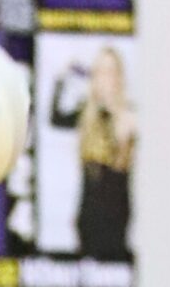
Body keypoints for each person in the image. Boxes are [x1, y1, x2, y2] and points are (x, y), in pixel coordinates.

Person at [50, 46, 136, 262]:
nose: (105, 79)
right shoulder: (86, 113)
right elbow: (55, 118)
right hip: (88, 216)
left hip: (116, 216)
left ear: (118, 77)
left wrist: (116, 120)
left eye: (110, 72)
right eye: (100, 72)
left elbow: (120, 167)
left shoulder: (127, 115)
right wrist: (61, 79)